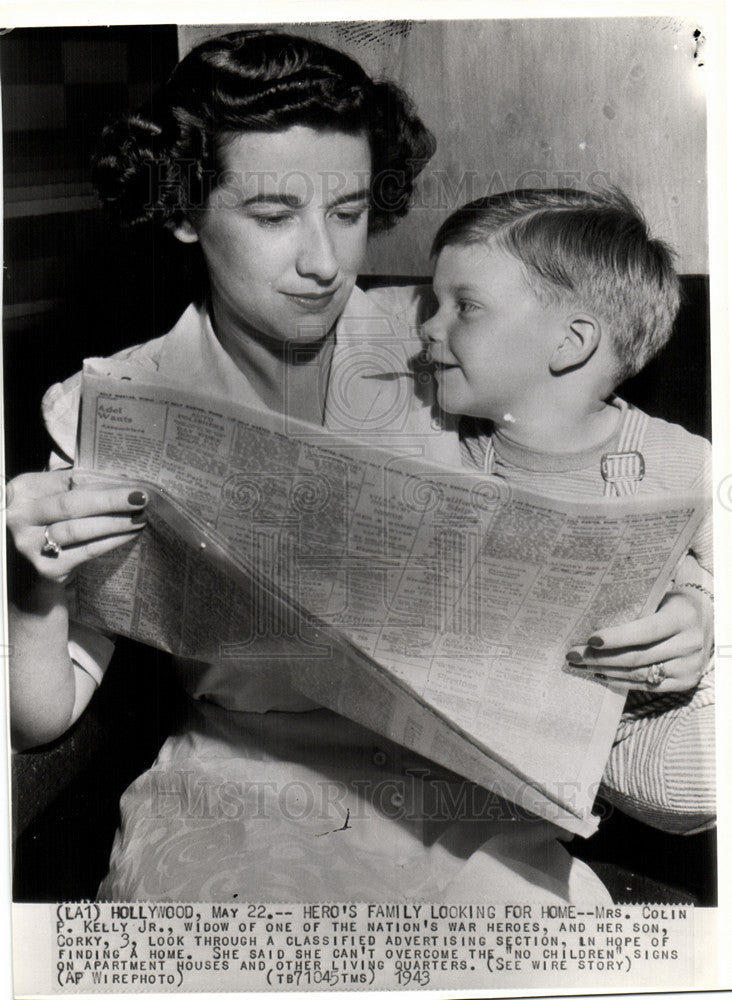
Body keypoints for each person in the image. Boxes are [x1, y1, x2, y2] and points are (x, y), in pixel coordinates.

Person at [6, 31, 711, 903]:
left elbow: (609, 464)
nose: (326, 262)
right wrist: (31, 590)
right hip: (240, 790)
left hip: (464, 797)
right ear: (184, 213)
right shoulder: (119, 404)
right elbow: (40, 719)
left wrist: (689, 610)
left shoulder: (444, 339)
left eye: (347, 212)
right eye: (273, 216)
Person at [424, 187, 715, 835]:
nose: (427, 327)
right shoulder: (438, 441)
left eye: (464, 307)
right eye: (431, 302)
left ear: (570, 344)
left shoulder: (675, 460)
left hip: (627, 728)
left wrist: (700, 603)